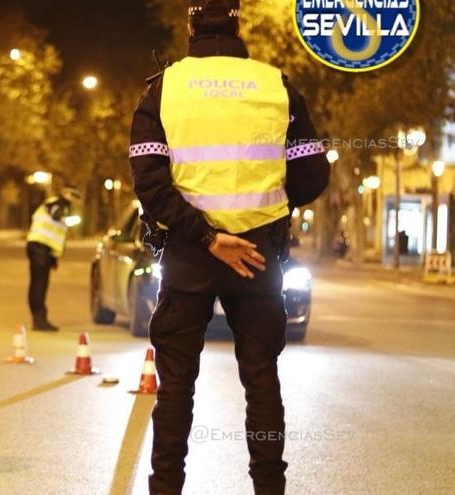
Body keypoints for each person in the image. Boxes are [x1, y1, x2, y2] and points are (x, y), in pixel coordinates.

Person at [129, 1, 330, 494]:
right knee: (262, 382)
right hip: (257, 256)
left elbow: (149, 183)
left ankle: (165, 488)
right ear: (239, 24)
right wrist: (265, 211)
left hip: (190, 256)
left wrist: (206, 236)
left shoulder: (163, 89)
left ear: (192, 25)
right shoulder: (277, 86)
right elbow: (313, 173)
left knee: (175, 387)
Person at [26, 187, 82, 331]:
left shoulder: (60, 204)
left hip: (42, 250)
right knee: (39, 286)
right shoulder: (57, 202)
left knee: (38, 285)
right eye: (72, 195)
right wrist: (65, 219)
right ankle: (39, 320)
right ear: (65, 193)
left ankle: (39, 319)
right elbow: (55, 214)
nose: (74, 198)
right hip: (39, 248)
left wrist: (53, 258)